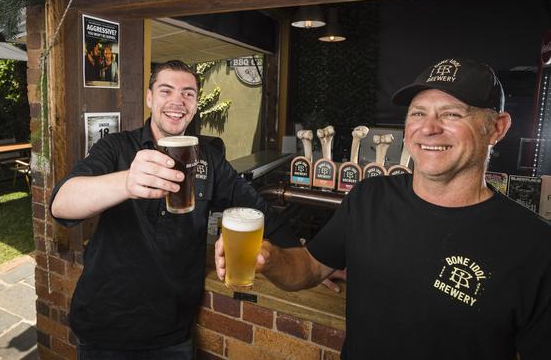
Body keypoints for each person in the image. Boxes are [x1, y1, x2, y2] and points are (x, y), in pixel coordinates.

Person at [216, 58, 551, 359]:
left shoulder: (535, 246)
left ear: (496, 128)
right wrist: (270, 258)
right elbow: (308, 269)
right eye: (418, 113)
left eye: (451, 114)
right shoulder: (369, 197)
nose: (429, 127)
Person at [50, 59, 298, 359]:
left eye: (188, 93)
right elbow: (62, 204)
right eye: (166, 91)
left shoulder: (209, 159)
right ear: (150, 98)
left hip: (173, 333)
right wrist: (127, 182)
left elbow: (259, 212)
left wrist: (309, 261)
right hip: (106, 327)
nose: (177, 101)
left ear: (195, 104)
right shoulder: (117, 148)